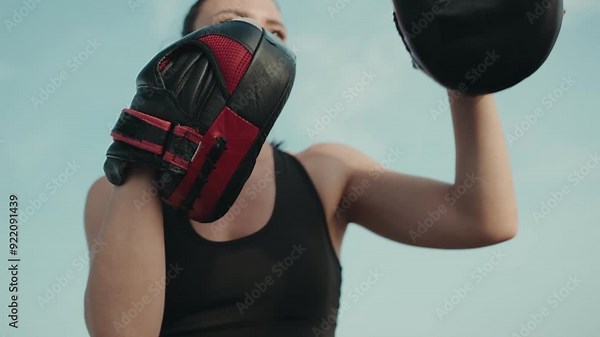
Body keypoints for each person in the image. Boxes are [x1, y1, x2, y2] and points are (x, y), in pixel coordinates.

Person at [83, 0, 519, 336]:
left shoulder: (327, 172)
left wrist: (467, 75)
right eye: (236, 20)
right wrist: (145, 149)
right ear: (186, 50)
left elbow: (482, 219)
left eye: (276, 32)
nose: (261, 40)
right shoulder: (115, 190)